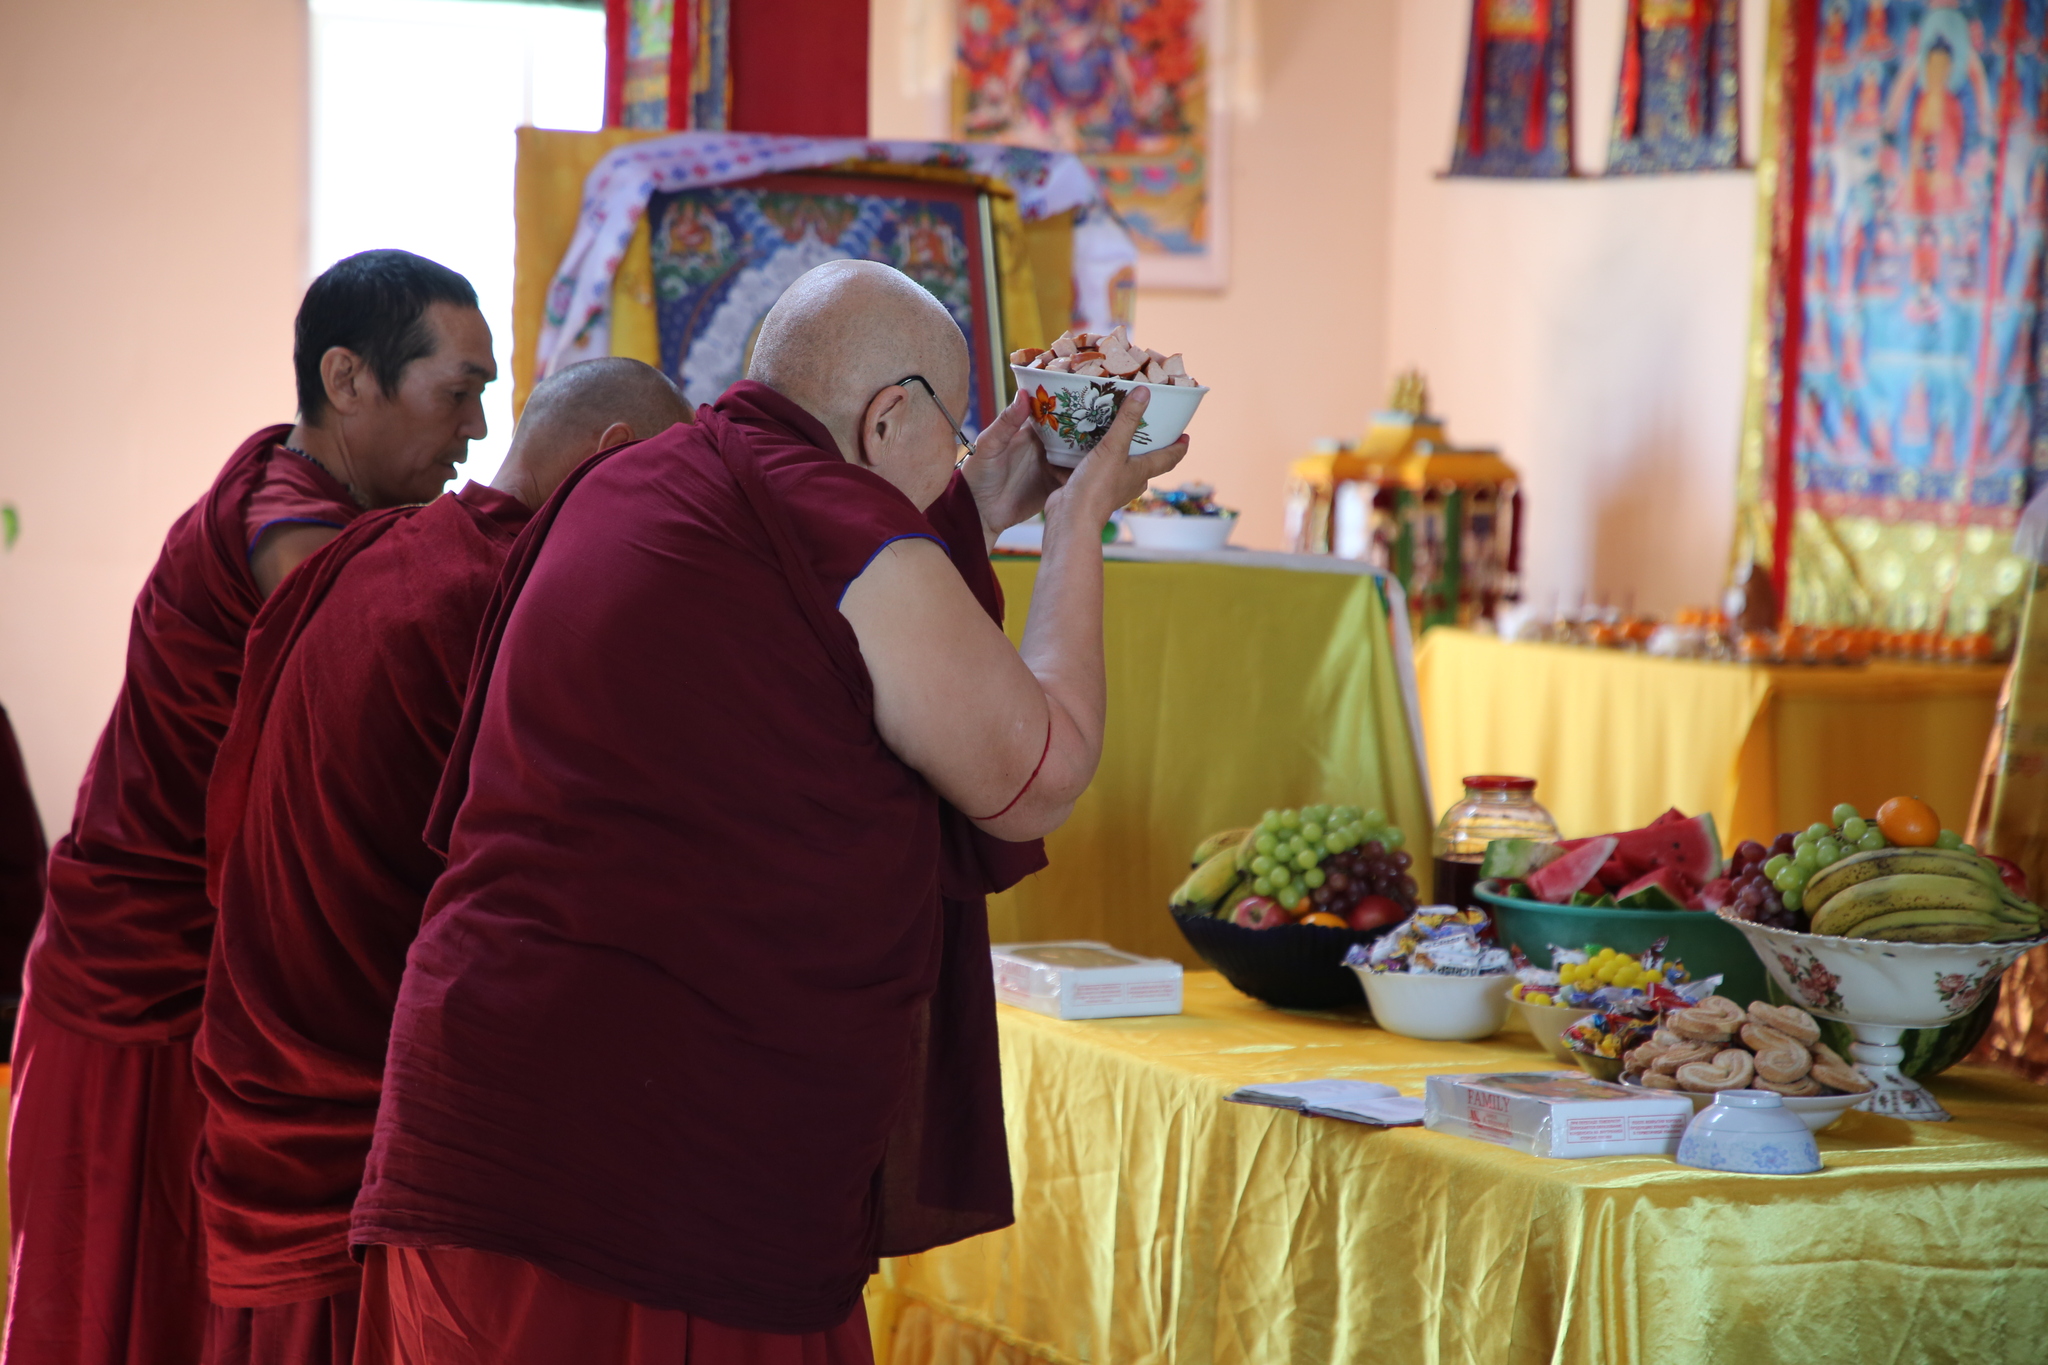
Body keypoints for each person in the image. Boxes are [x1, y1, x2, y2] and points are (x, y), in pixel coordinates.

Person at [350, 259, 1187, 1361]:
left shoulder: (639, 481)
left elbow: (858, 583)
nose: (956, 453)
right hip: (646, 1177)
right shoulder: (835, 525)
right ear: (888, 416)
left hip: (474, 1131)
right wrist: (1081, 519)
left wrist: (979, 485)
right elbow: (1040, 774)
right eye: (952, 426)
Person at [5, 249, 495, 1365]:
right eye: (456, 393)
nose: (472, 435)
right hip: (140, 1002)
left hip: (209, 1000)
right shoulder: (290, 532)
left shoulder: (316, 504)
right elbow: (366, 656)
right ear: (347, 378)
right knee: (121, 1324)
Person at [191, 358, 688, 1365]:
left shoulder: (377, 550)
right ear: (617, 460)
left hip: (266, 1050)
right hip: (359, 1094)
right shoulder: (512, 607)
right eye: (667, 488)